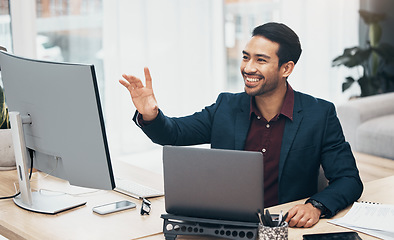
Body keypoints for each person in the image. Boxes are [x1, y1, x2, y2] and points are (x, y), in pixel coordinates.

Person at [119, 22, 363, 228]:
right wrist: (150, 114)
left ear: (286, 68)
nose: (248, 68)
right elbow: (173, 133)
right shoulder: (226, 106)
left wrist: (316, 206)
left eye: (261, 60)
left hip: (283, 228)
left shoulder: (319, 114)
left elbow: (349, 179)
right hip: (227, 225)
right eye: (246, 57)